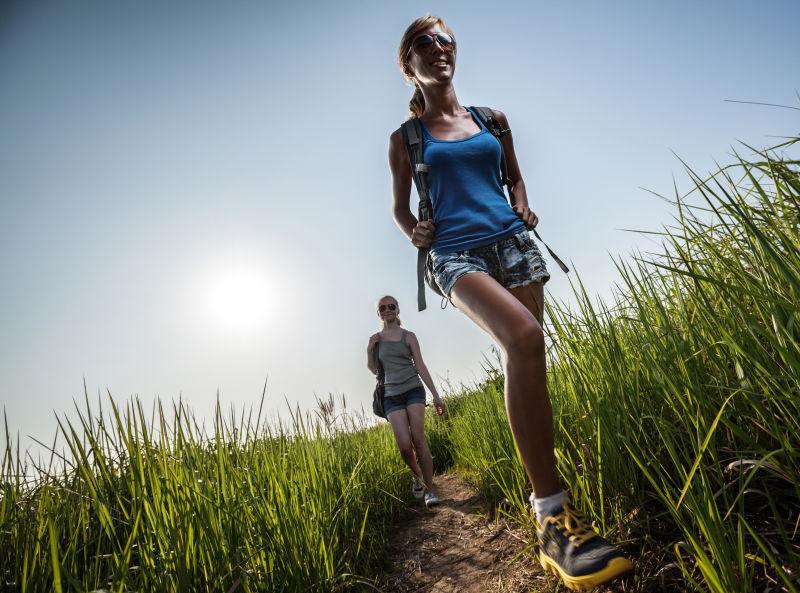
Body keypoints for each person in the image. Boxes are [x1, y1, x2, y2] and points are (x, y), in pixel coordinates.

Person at [387, 15, 633, 590]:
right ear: (409, 65)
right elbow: (400, 208)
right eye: (425, 43)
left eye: (446, 41)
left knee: (526, 354)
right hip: (455, 254)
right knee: (523, 336)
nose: (439, 49)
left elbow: (515, 180)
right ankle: (552, 521)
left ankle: (556, 504)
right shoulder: (406, 139)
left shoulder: (491, 121)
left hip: (513, 243)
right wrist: (413, 234)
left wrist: (523, 204)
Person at [367, 295, 446, 508]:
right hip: (391, 394)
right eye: (382, 307)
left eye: (391, 306)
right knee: (404, 446)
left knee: (418, 439)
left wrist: (436, 396)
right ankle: (419, 476)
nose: (387, 310)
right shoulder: (375, 339)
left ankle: (430, 490)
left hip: (413, 389)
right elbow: (374, 370)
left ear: (397, 310)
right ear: (379, 313)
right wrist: (369, 350)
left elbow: (420, 365)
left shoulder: (409, 336)